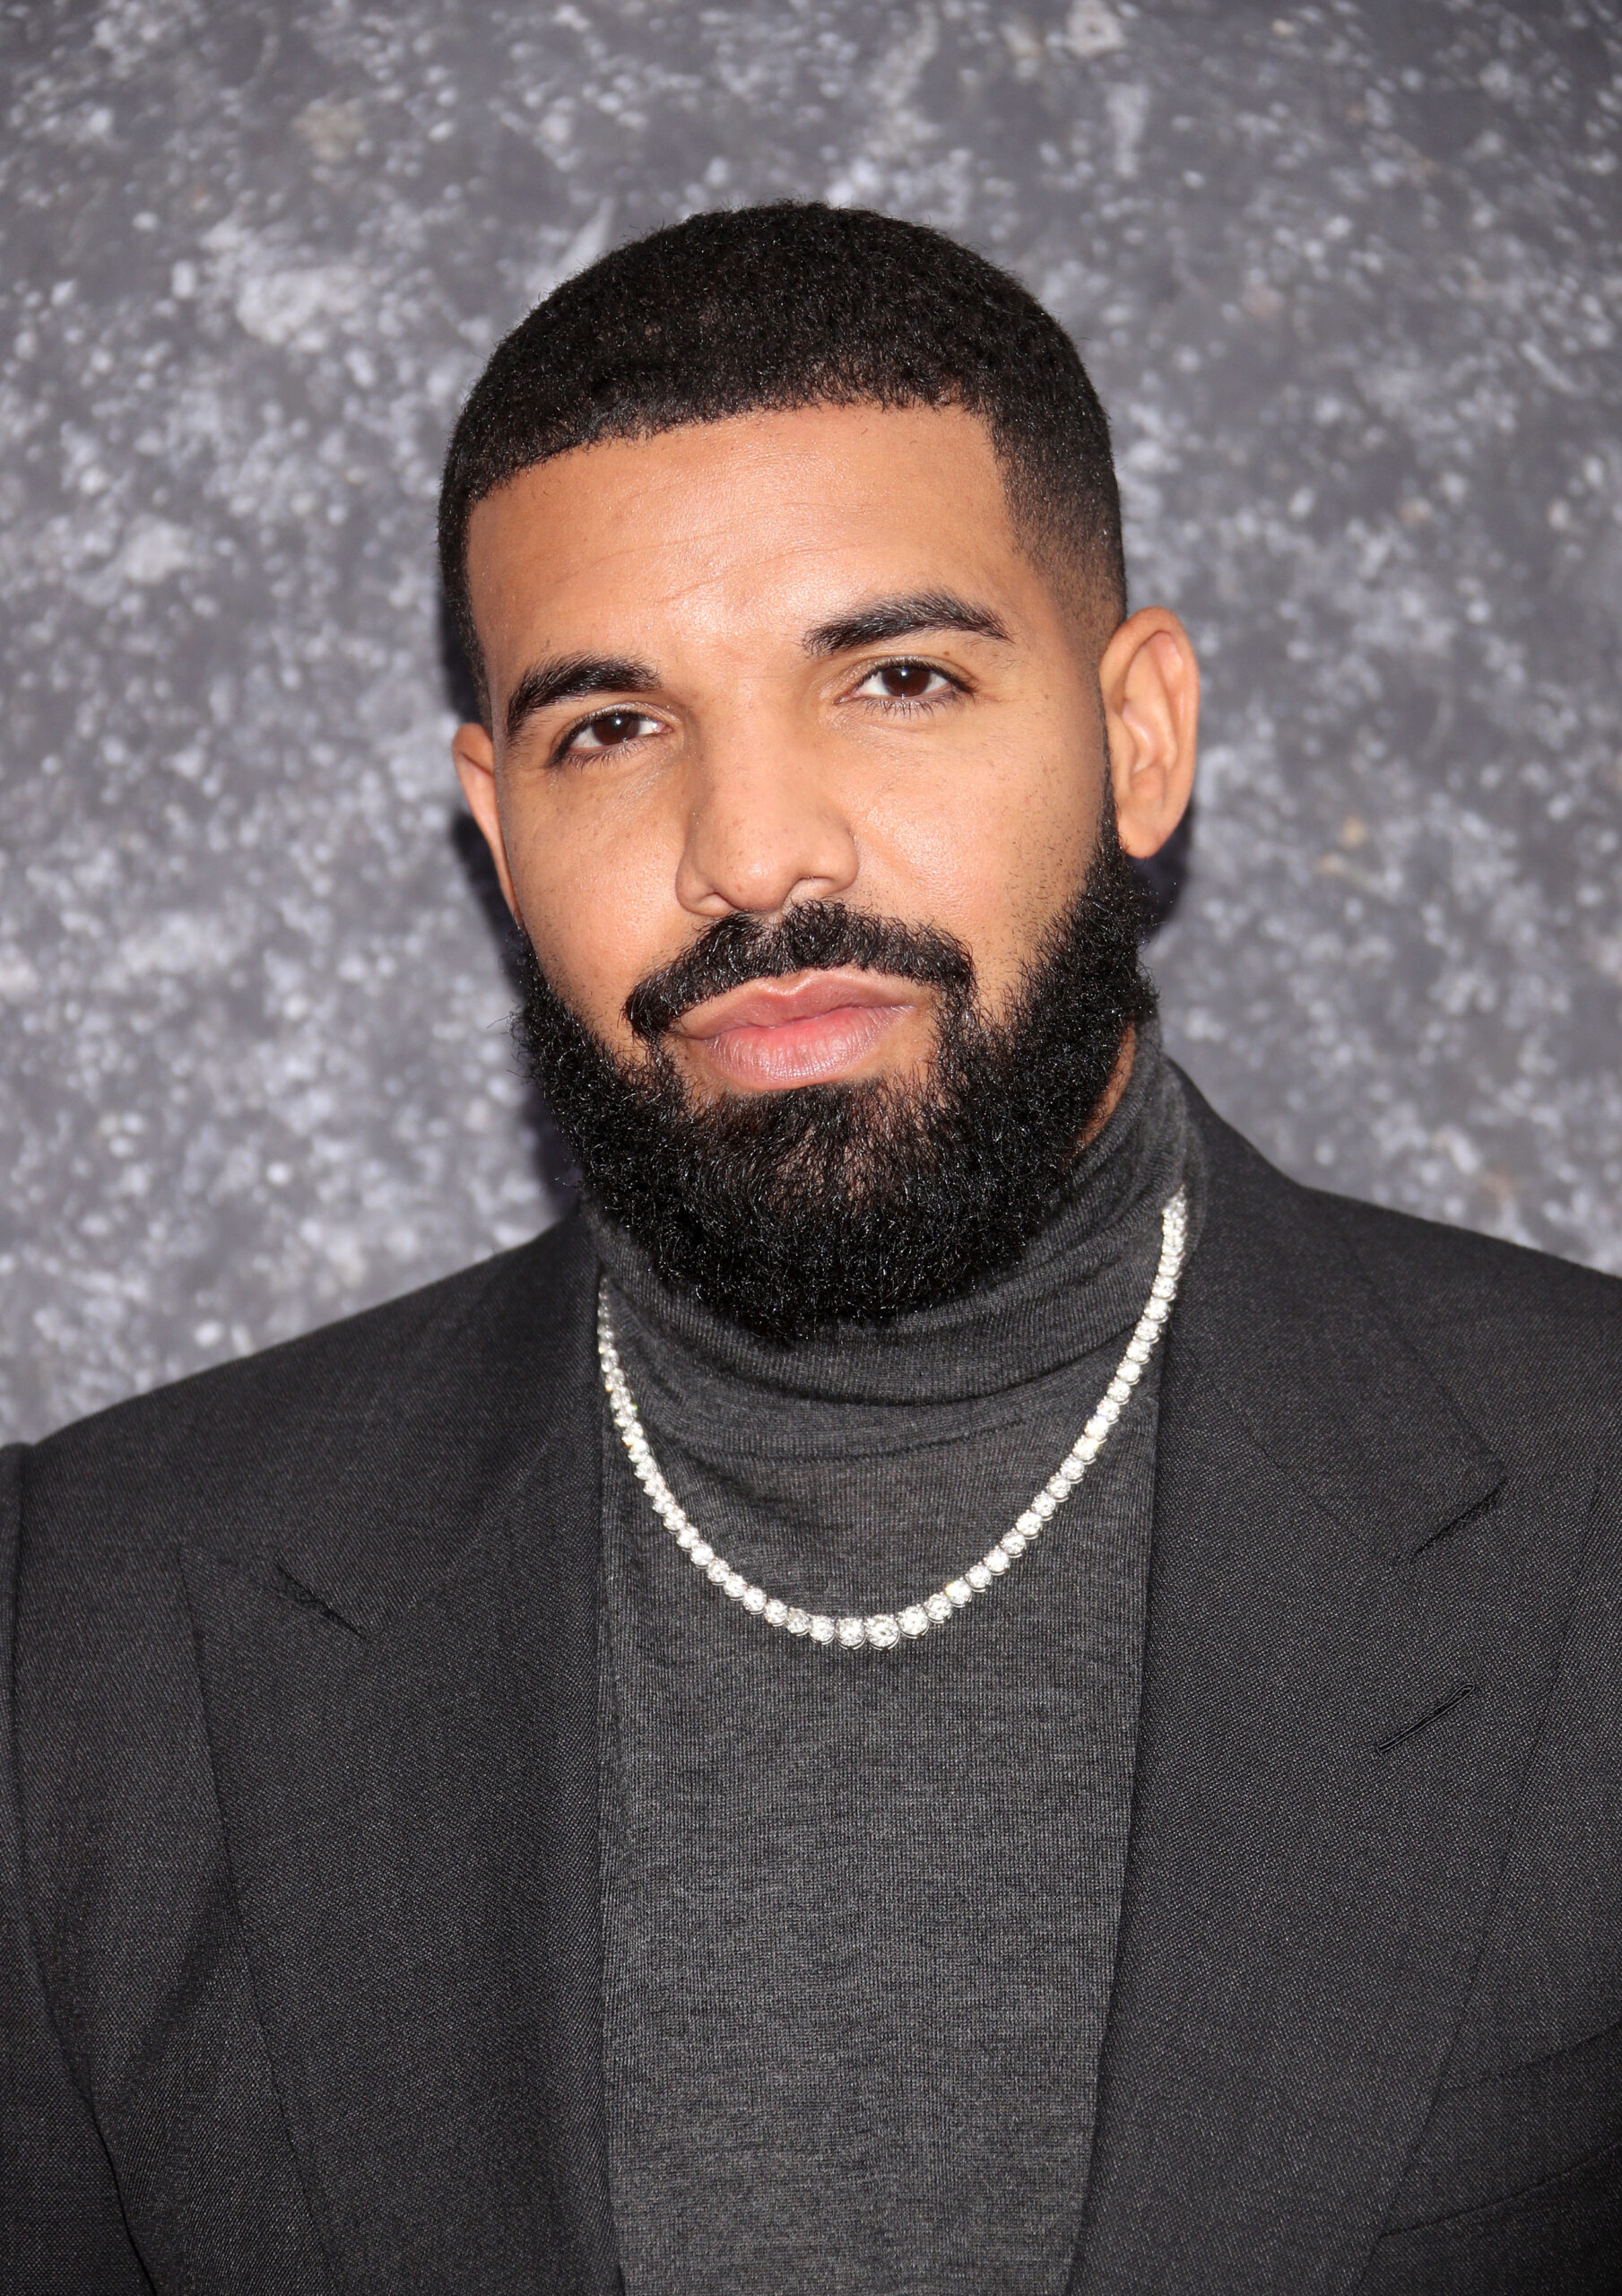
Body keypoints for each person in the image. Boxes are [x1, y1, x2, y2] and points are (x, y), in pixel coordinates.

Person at [2, 204, 1618, 2296]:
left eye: (896, 677)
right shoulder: (92, 1627)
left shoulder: (1590, 1502)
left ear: (1139, 737)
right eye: (611, 726)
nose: (752, 849)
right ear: (494, 828)